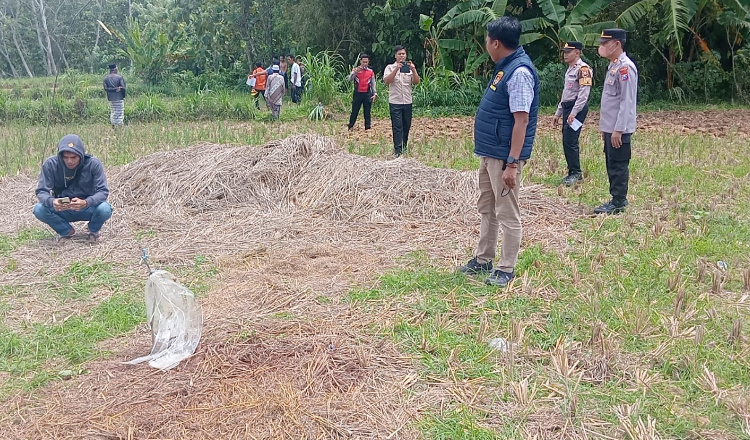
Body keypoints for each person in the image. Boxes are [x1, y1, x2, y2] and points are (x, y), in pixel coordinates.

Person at [458, 16, 540, 287]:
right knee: (488, 208)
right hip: (490, 153)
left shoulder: (519, 73)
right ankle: (483, 259)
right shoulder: (504, 67)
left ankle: (506, 268)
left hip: (504, 157)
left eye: (487, 40)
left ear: (495, 43)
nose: (485, 44)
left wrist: (512, 164)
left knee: (507, 212)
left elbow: (521, 121)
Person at [33, 134, 112, 243]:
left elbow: (103, 191)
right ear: (60, 156)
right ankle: (66, 230)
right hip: (63, 205)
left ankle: (93, 230)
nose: (69, 161)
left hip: (87, 205)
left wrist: (86, 202)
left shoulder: (93, 164)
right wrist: (53, 201)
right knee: (39, 209)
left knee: (105, 208)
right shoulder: (50, 164)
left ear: (81, 155)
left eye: (73, 157)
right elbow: (41, 191)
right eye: (65, 157)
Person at [594, 28, 638, 215]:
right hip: (610, 127)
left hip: (619, 128)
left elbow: (626, 101)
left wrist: (619, 129)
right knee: (611, 162)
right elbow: (609, 101)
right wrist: (605, 128)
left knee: (618, 164)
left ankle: (619, 201)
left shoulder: (625, 67)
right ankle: (615, 198)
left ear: (617, 44)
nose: (602, 46)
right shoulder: (613, 66)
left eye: (606, 43)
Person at [553, 41, 592, 186]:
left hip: (577, 109)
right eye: (564, 52)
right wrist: (558, 112)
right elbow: (566, 94)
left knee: (571, 139)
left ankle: (576, 173)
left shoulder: (583, 69)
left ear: (577, 52)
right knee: (567, 139)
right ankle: (572, 171)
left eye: (568, 52)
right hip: (568, 108)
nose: (565, 54)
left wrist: (574, 112)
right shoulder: (570, 69)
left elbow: (583, 94)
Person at [383, 45, 420, 157]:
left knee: (406, 126)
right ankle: (397, 150)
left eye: (403, 54)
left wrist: (413, 70)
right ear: (395, 56)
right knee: (397, 126)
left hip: (407, 102)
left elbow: (416, 82)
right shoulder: (390, 67)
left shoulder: (409, 68)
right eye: (399, 54)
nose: (401, 56)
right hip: (395, 102)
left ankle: (404, 147)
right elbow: (387, 81)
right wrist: (396, 69)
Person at [347, 54, 377, 131]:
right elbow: (350, 79)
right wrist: (354, 72)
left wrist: (374, 93)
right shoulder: (356, 70)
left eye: (366, 62)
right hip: (358, 93)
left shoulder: (370, 72)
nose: (365, 64)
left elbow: (373, 83)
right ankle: (350, 126)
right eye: (363, 62)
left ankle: (368, 127)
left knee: (367, 112)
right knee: (354, 111)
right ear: (360, 61)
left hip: (367, 93)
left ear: (368, 62)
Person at [103, 63, 126, 129]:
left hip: (111, 99)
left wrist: (113, 89)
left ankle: (113, 128)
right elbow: (123, 88)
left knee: (113, 112)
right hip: (119, 98)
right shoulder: (119, 77)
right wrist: (122, 95)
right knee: (119, 113)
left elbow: (106, 88)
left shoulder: (106, 78)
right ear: (115, 69)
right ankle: (120, 129)